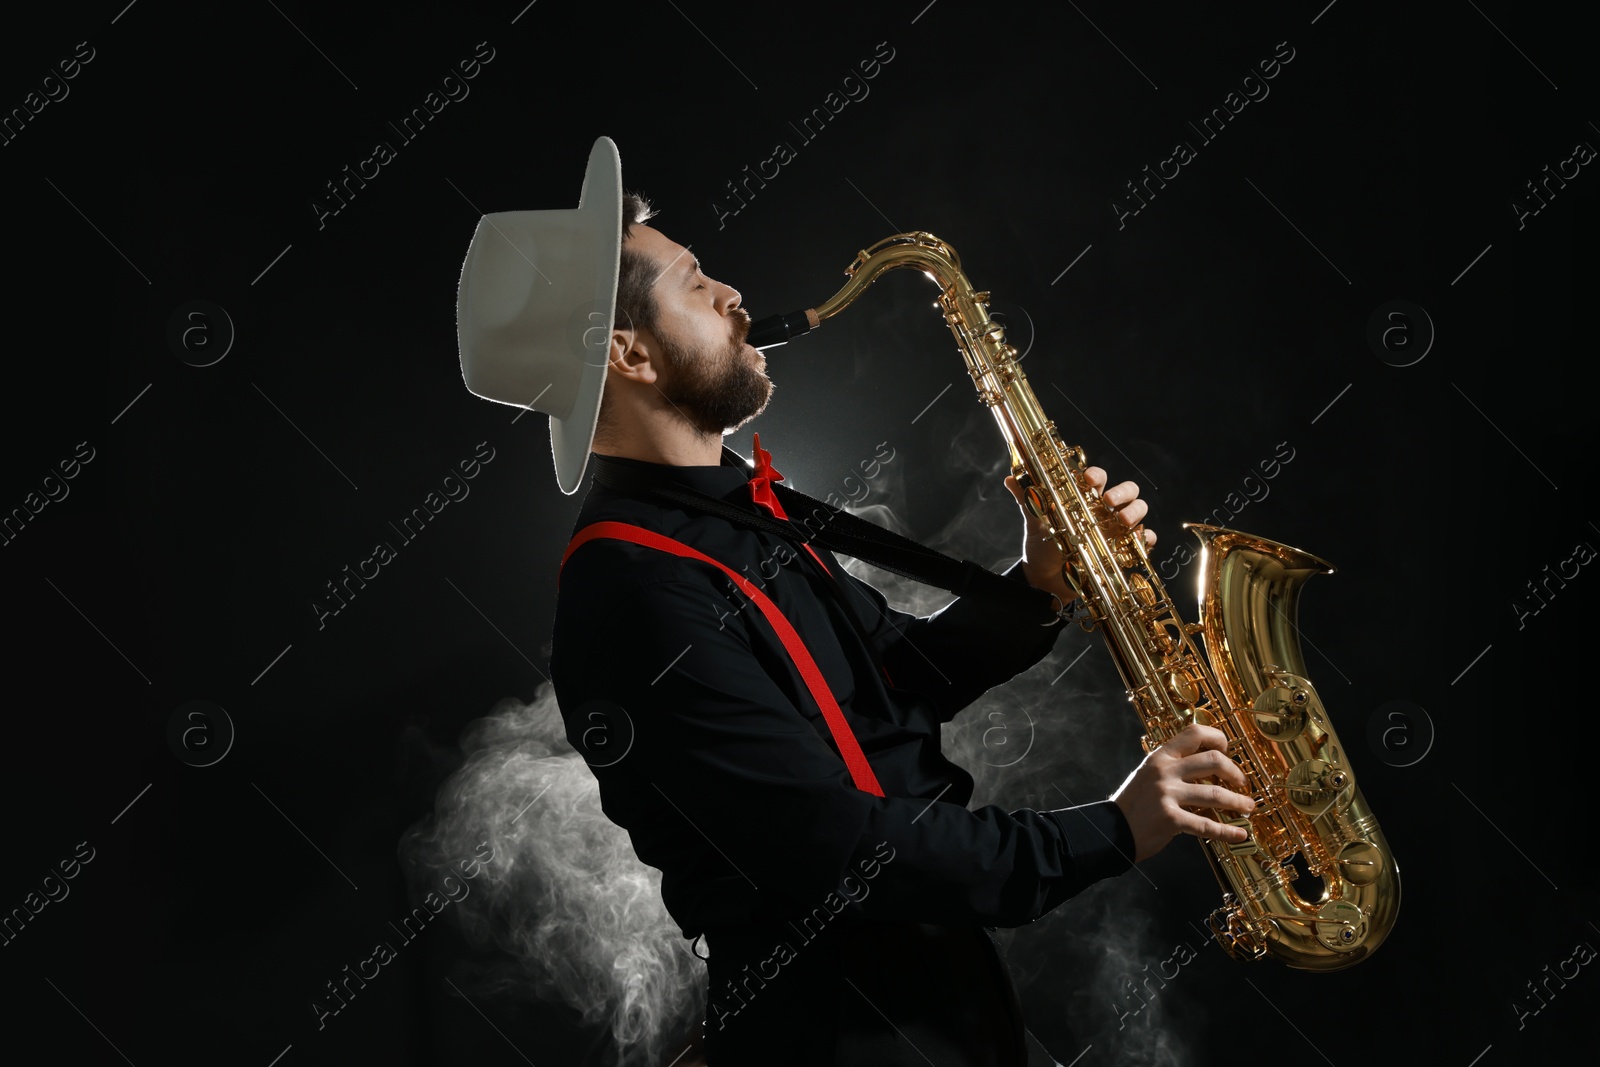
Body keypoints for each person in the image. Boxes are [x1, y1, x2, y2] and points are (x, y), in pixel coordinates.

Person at [456, 137, 1256, 1067]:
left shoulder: (735, 511)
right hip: (841, 1028)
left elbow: (885, 683)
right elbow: (843, 852)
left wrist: (1038, 582)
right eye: (694, 283)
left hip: (930, 998)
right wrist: (1113, 829)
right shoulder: (633, 592)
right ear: (627, 352)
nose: (734, 298)